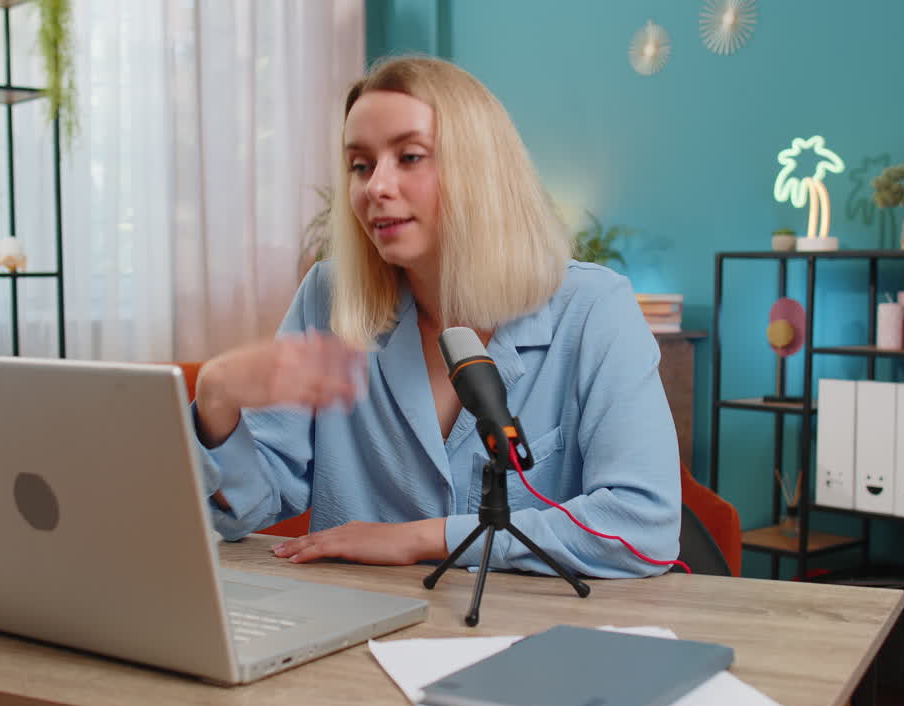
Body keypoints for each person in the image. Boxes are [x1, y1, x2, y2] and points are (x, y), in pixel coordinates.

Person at [192, 55, 680, 579]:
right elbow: (247, 510)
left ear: (480, 171)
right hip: (359, 637)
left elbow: (641, 527)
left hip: (538, 641)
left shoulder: (592, 308)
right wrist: (217, 397)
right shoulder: (328, 298)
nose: (375, 186)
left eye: (409, 156)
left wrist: (423, 539)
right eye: (360, 164)